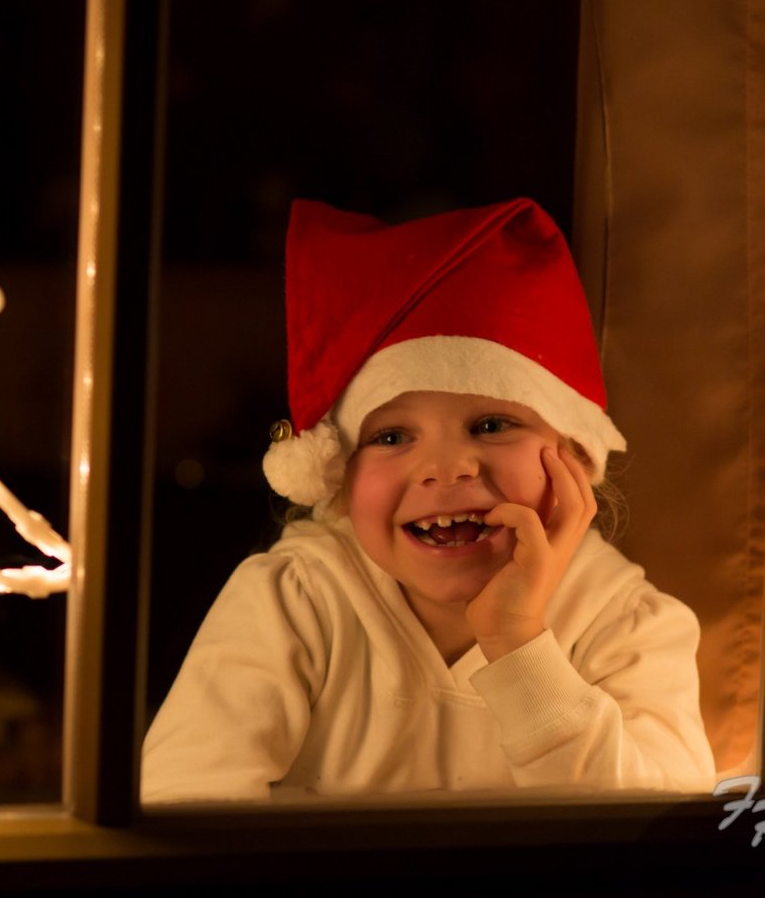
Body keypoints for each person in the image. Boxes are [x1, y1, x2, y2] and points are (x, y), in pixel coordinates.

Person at [140, 198, 716, 803]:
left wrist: (519, 647)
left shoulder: (624, 623)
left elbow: (658, 844)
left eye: (492, 425)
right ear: (337, 477)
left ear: (573, 455)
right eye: (391, 436)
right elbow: (180, 809)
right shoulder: (295, 600)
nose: (445, 469)